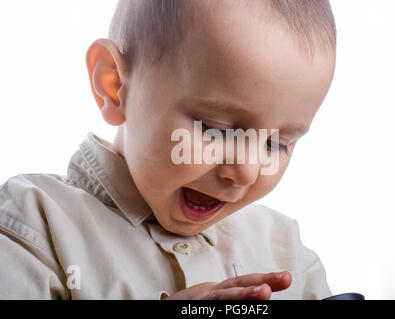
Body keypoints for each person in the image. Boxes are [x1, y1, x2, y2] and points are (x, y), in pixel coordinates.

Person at [0, 0, 337, 299]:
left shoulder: (285, 251)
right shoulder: (34, 225)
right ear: (114, 87)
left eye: (275, 143)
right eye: (215, 129)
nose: (247, 171)